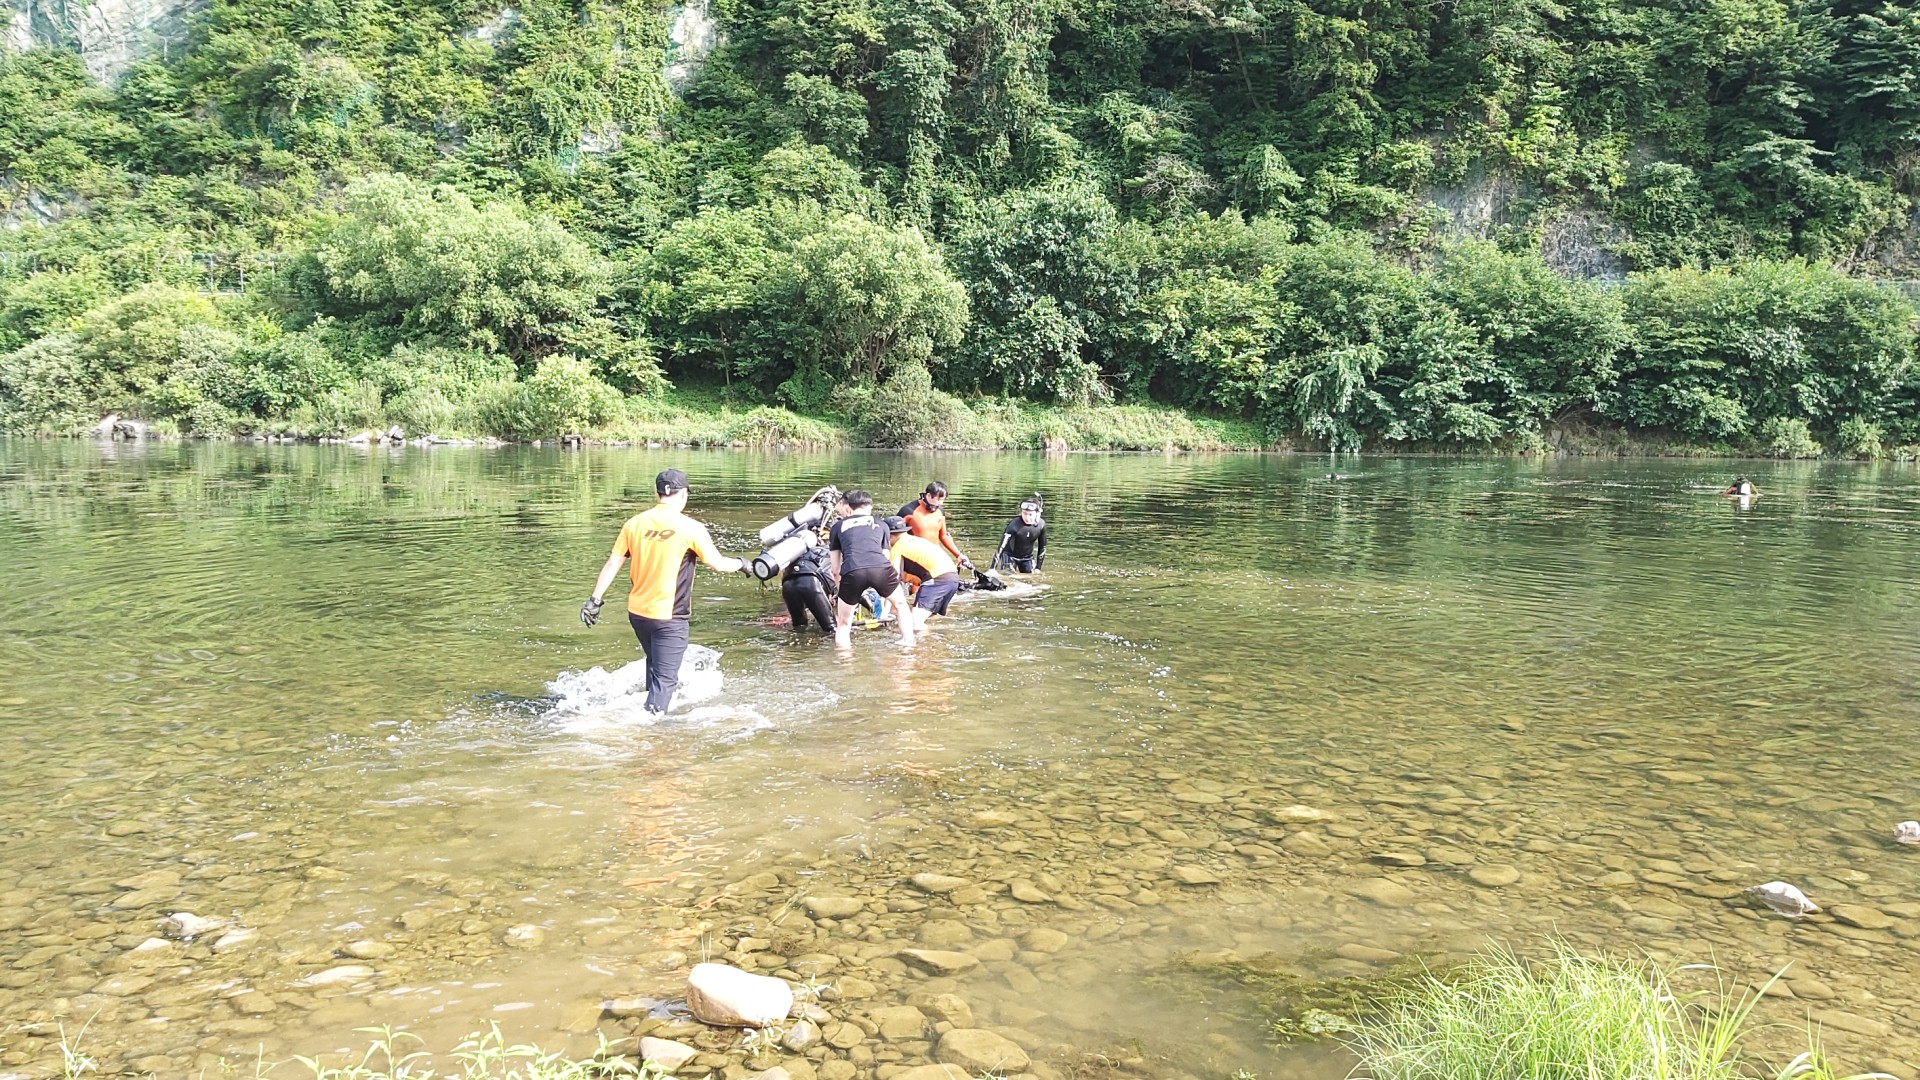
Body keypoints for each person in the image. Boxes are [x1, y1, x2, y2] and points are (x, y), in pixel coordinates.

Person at [580, 469, 751, 713]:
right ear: (683, 494)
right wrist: (743, 564)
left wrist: (594, 601)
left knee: (655, 665)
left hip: (638, 614)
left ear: (658, 493)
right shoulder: (691, 528)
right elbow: (718, 564)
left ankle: (648, 711)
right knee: (666, 681)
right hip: (669, 618)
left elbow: (612, 563)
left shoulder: (635, 523)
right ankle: (650, 727)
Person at [830, 490, 914, 647]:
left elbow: (835, 569)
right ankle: (908, 645)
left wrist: (840, 590)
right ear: (870, 507)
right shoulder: (881, 524)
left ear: (849, 507)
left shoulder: (837, 527)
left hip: (853, 571)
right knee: (901, 606)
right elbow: (886, 557)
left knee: (843, 623)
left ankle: (845, 658)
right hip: (880, 569)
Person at [886, 515, 961, 632]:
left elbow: (892, 579)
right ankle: (938, 637)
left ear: (889, 535)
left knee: (915, 623)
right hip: (952, 578)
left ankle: (924, 642)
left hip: (937, 580)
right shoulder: (917, 540)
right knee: (925, 617)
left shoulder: (897, 547)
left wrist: (885, 610)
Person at [898, 482, 974, 574]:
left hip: (933, 556)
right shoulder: (908, 511)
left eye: (942, 500)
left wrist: (958, 555)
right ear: (928, 495)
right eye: (938, 499)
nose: (940, 503)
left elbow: (944, 536)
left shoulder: (940, 511)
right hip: (913, 558)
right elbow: (893, 536)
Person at [780, 517, 838, 633]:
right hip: (811, 583)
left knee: (799, 627)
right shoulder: (833, 551)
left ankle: (798, 645)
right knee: (831, 630)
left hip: (787, 585)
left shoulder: (796, 552)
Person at [991, 495, 1047, 573]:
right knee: (1009, 576)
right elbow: (1001, 547)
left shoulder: (1041, 525)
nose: (1027, 518)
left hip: (1027, 557)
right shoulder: (1014, 524)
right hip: (1010, 555)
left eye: (1030, 514)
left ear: (1037, 514)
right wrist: (992, 568)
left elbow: (1042, 547)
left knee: (1031, 576)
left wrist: (1038, 568)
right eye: (1024, 513)